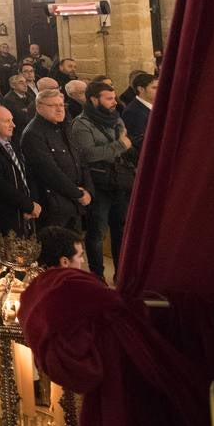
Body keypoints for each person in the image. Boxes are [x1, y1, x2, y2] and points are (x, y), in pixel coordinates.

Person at [72, 80, 134, 280]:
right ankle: (97, 277)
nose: (114, 102)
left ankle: (121, 274)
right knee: (97, 234)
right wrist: (119, 146)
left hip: (119, 183)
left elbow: (126, 145)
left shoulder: (116, 119)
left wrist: (121, 147)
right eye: (108, 99)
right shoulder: (82, 124)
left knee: (121, 230)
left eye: (113, 97)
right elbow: (88, 154)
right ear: (93, 99)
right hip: (99, 184)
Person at [20, 89, 93, 231]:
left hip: (74, 202)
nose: (59, 109)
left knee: (75, 248)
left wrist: (88, 190)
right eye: (53, 106)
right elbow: (50, 172)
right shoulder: (33, 134)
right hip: (54, 205)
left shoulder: (65, 127)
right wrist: (78, 194)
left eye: (61, 105)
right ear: (39, 107)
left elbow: (80, 160)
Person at [0, 106, 40, 236]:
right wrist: (28, 205)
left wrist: (32, 202)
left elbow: (25, 174)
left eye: (12, 120)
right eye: (7, 121)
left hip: (24, 210)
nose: (13, 124)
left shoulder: (11, 143)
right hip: (7, 214)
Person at [120, 72, 158, 154]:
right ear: (141, 89)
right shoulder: (133, 111)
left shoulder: (155, 105)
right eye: (154, 88)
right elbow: (138, 142)